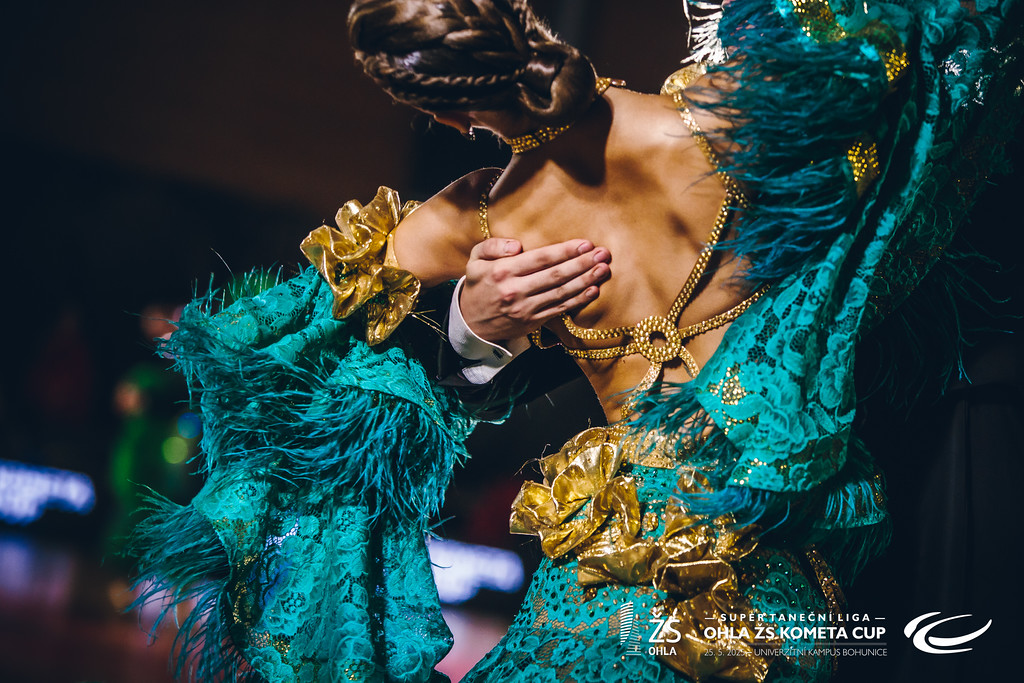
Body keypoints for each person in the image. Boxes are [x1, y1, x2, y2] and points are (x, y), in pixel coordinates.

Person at [131, 0, 1022, 681]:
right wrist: (472, 332)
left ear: (444, 116)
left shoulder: (475, 218)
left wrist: (468, 323)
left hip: (608, 580)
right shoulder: (737, 126)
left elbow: (281, 348)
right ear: (527, 24)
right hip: (774, 568)